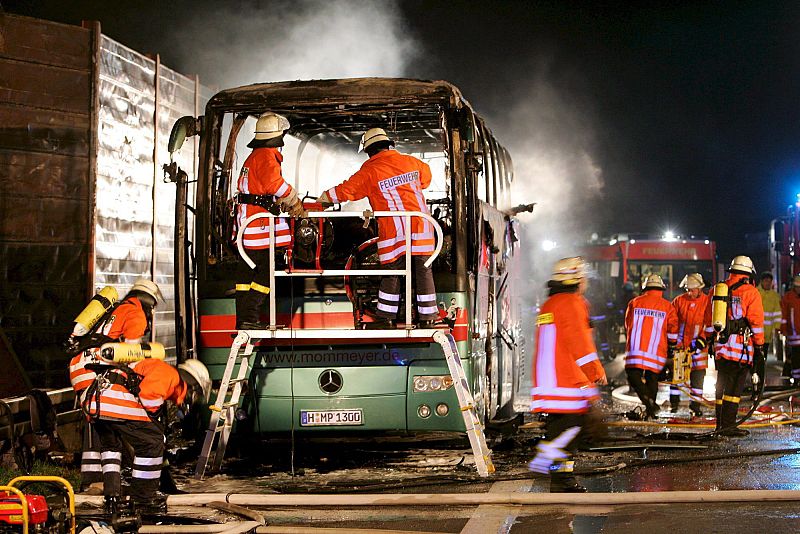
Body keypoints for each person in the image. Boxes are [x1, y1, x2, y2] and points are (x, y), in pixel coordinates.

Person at [318, 128, 437, 327]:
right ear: (388, 145)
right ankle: (428, 318)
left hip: (395, 232)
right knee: (423, 271)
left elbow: (347, 190)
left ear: (369, 151)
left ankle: (386, 317)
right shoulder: (412, 163)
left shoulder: (371, 170)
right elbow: (426, 180)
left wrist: (324, 199)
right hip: (422, 228)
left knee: (392, 272)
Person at [68, 278, 163, 492]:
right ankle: (144, 494)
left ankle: (101, 486)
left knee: (105, 428)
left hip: (80, 367)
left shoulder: (115, 310)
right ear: (149, 302)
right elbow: (132, 356)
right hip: (97, 370)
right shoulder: (136, 313)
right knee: (147, 435)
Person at [82, 356, 209, 516]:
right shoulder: (170, 375)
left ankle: (112, 496)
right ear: (191, 385)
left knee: (111, 448)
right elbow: (148, 397)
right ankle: (142, 499)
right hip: (116, 403)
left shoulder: (156, 368)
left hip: (96, 405)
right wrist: (154, 422)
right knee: (152, 443)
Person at [528, 257, 607, 493]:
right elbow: (579, 344)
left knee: (564, 427)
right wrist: (596, 372)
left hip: (550, 379)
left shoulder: (552, 302)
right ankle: (558, 474)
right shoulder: (572, 303)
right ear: (578, 279)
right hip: (563, 379)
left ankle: (557, 472)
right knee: (571, 429)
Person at [234, 112, 306, 329]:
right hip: (259, 228)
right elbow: (275, 184)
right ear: (278, 136)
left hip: (248, 224)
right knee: (266, 273)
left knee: (246, 276)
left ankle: (244, 319)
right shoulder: (266, 156)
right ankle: (251, 317)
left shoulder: (253, 156)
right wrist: (294, 201)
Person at [698, 256, 765, 437]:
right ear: (748, 274)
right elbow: (756, 322)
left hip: (721, 347)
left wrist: (708, 339)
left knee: (721, 385)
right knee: (734, 390)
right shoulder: (750, 292)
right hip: (740, 350)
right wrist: (759, 345)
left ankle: (720, 425)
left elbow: (707, 319)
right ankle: (728, 426)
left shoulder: (716, 290)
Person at [624, 274, 679, 419]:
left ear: (645, 288)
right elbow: (673, 330)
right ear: (661, 289)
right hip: (656, 351)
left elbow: (627, 324)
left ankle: (648, 402)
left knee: (633, 376)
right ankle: (651, 410)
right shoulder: (667, 306)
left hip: (636, 348)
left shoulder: (634, 303)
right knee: (652, 379)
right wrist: (671, 346)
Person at [671, 273, 710, 416]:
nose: (689, 292)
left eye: (692, 290)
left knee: (698, 378)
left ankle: (695, 407)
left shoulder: (707, 302)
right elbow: (672, 323)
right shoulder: (678, 301)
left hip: (699, 347)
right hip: (681, 346)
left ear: (700, 289)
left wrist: (700, 342)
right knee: (677, 378)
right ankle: (674, 404)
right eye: (687, 289)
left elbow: (709, 325)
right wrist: (675, 343)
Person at [780, 274, 800, 383]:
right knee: (796, 357)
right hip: (794, 334)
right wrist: (784, 330)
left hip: (795, 333)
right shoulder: (788, 297)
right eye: (797, 287)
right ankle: (796, 379)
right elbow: (783, 315)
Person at [758, 272, 781, 359]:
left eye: (769, 281)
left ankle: (760, 371)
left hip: (767, 333)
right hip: (756, 331)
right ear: (761, 281)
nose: (768, 283)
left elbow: (777, 313)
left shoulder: (775, 296)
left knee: (764, 355)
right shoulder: (756, 293)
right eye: (766, 281)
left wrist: (777, 328)